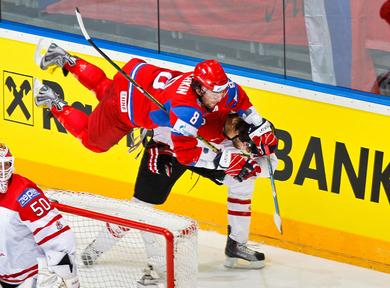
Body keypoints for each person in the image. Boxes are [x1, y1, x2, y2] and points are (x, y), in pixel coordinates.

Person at [33, 42, 276, 175]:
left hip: (137, 75)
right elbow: (186, 155)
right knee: (93, 142)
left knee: (104, 87)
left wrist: (258, 123)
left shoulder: (218, 87)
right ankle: (51, 100)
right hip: (124, 109)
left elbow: (240, 99)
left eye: (223, 89)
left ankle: (65, 58)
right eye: (215, 92)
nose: (221, 96)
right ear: (200, 89)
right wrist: (221, 163)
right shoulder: (186, 112)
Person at [80, 111, 278, 273]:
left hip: (208, 152)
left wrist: (258, 164)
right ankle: (98, 247)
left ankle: (236, 244)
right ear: (234, 125)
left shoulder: (248, 124)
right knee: (140, 207)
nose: (246, 148)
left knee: (243, 182)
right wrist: (237, 161)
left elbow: (270, 164)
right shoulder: (204, 115)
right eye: (244, 143)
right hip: (170, 149)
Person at [0, 144, 79, 288]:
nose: (3, 172)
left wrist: (70, 278)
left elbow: (59, 237)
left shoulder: (24, 195)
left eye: (5, 165)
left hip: (23, 275)